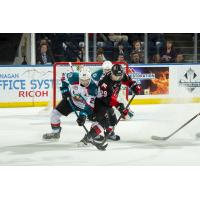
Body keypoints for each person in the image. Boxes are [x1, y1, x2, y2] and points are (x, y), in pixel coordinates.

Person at [43, 67, 105, 147]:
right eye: (82, 80)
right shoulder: (73, 76)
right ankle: (55, 132)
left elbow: (89, 105)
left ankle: (93, 135)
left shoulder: (93, 88)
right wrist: (64, 90)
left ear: (90, 78)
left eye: (86, 80)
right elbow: (63, 79)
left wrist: (82, 115)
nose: (84, 82)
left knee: (97, 119)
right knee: (54, 114)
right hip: (71, 101)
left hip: (85, 106)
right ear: (79, 77)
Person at [81, 64, 141, 144]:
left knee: (113, 120)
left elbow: (128, 81)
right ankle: (89, 137)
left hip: (109, 101)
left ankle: (108, 134)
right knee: (104, 122)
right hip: (100, 102)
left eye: (119, 76)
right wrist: (120, 107)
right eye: (115, 76)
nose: (118, 78)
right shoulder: (105, 82)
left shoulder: (120, 75)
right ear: (111, 73)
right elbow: (107, 99)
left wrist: (134, 86)